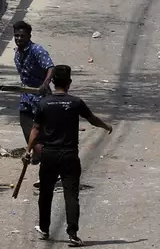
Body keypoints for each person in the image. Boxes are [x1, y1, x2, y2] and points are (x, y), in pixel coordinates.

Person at [23, 65, 112, 247]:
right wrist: (106, 126)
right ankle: (73, 234)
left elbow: (35, 130)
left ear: (53, 82)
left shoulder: (44, 103)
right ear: (69, 82)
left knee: (46, 193)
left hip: (49, 155)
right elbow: (92, 119)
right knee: (71, 195)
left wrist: (28, 151)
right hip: (70, 155)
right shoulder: (76, 102)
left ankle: (45, 228)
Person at [13, 21, 54, 175]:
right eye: (16, 35)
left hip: (41, 98)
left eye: (22, 36)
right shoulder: (17, 52)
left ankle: (49, 167)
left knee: (39, 133)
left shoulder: (37, 50)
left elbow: (51, 67)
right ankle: (38, 154)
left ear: (29, 36)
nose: (19, 38)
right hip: (26, 97)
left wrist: (45, 83)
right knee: (26, 127)